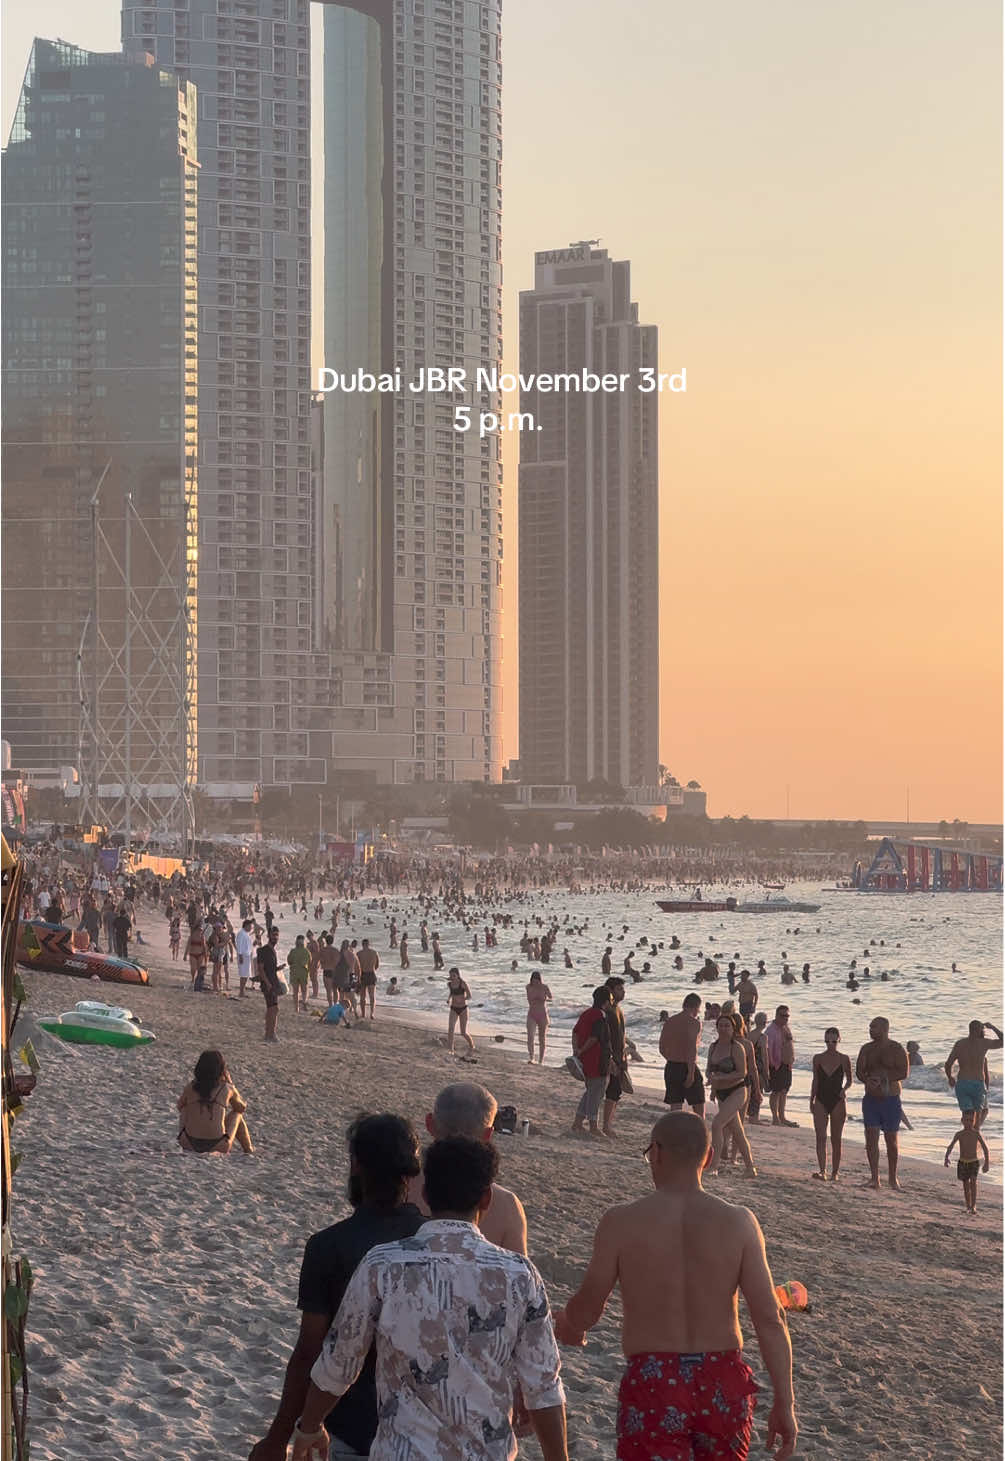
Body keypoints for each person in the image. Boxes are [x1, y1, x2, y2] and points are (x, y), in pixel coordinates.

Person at [289, 1138, 569, 1461]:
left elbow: (339, 1361)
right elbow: (544, 1387)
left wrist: (310, 1425)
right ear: (486, 1198)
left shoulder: (383, 1265)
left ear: (424, 1194)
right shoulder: (520, 1276)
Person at [552, 1112, 797, 1461]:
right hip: (722, 1379)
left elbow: (590, 1306)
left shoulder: (621, 1221)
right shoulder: (740, 1222)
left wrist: (567, 1322)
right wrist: (785, 1404)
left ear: (657, 1153)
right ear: (708, 1158)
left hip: (654, 1380)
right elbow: (771, 1319)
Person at [249, 1114, 424, 1461]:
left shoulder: (328, 1246)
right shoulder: (430, 1240)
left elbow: (308, 1351)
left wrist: (277, 1437)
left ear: (355, 1165)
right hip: (421, 1431)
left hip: (347, 1427)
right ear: (411, 1170)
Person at [414, 1082, 528, 1253]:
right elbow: (519, 1271)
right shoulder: (507, 1205)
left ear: (429, 1124)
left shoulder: (401, 1188)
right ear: (488, 1135)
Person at [855, 1016, 909, 1190]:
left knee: (891, 1140)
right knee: (871, 1139)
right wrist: (867, 1079)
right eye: (870, 1027)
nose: (870, 1030)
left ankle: (893, 1178)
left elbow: (904, 1072)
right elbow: (859, 1071)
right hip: (871, 1099)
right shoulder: (866, 1049)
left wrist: (884, 1078)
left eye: (874, 1027)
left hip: (891, 1099)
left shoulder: (896, 1048)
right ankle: (874, 1178)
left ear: (885, 1029)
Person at [706, 1014, 757, 1179]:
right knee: (737, 1132)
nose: (723, 1028)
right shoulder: (713, 1047)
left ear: (733, 1028)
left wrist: (721, 1077)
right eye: (721, 1025)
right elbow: (708, 1069)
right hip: (721, 1094)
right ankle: (750, 1168)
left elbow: (742, 1073)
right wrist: (712, 1080)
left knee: (717, 1124)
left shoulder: (737, 1047)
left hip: (737, 1091)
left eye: (727, 1025)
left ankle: (713, 1166)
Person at [176, 1050, 253, 1154]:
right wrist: (231, 1084)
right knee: (237, 1115)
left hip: (188, 1143)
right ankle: (248, 1149)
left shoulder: (190, 1087)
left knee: (185, 1108)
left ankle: (192, 1133)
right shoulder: (227, 1088)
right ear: (221, 1069)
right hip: (218, 1145)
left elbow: (180, 1107)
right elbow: (240, 1108)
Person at [809, 1028, 852, 1181]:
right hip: (821, 1098)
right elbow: (816, 1080)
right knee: (820, 1137)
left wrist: (844, 1090)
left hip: (837, 1100)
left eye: (833, 1041)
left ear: (839, 1040)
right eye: (827, 1041)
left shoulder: (844, 1059)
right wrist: (811, 1099)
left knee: (836, 1138)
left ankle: (835, 1172)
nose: (830, 1044)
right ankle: (822, 1171)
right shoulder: (818, 1058)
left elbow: (850, 1080)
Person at [944, 1021, 1003, 1129]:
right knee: (977, 1119)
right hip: (977, 1083)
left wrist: (950, 1077)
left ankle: (966, 1140)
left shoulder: (960, 1044)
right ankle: (974, 1140)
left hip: (962, 1083)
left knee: (967, 1117)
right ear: (980, 1030)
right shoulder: (983, 1043)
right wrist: (993, 1027)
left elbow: (948, 1064)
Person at [570, 987, 612, 1138]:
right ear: (606, 1002)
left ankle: (578, 1122)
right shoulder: (600, 1016)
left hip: (585, 1060)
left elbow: (575, 1032)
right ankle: (593, 1125)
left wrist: (576, 1050)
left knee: (590, 1091)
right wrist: (581, 1050)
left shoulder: (586, 1014)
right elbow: (595, 1038)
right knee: (597, 1092)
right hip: (597, 1059)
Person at [659, 993, 705, 1115]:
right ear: (695, 1007)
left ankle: (675, 1131)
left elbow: (662, 1048)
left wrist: (672, 1058)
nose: (698, 1012)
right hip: (687, 1065)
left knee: (675, 1105)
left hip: (672, 1065)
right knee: (698, 1103)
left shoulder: (670, 1021)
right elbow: (692, 1049)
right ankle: (701, 1129)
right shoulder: (694, 1023)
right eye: (698, 1009)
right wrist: (690, 1073)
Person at [944, 1109, 990, 1215]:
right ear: (962, 1121)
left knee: (973, 1182)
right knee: (965, 1185)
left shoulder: (976, 1134)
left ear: (974, 1121)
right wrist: (946, 1157)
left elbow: (985, 1148)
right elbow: (950, 1146)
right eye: (966, 1120)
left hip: (974, 1162)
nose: (969, 1122)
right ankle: (968, 1206)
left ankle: (973, 1206)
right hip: (963, 1162)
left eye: (971, 1120)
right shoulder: (959, 1134)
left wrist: (986, 1163)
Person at [602, 976, 628, 1138]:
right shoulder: (608, 1011)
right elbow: (605, 1037)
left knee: (616, 1092)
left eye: (623, 989)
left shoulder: (618, 1010)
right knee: (609, 1091)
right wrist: (610, 1058)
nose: (623, 992)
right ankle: (605, 1125)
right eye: (619, 989)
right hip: (610, 1057)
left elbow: (621, 1035)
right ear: (610, 991)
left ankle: (608, 1124)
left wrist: (624, 1057)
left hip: (620, 1056)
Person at [766, 1006, 797, 1127]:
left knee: (784, 1091)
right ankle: (775, 1118)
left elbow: (789, 1044)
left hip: (787, 1065)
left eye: (787, 1016)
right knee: (776, 1091)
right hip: (777, 1065)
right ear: (777, 1015)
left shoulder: (785, 1028)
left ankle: (782, 1117)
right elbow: (767, 1049)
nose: (786, 1018)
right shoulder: (771, 1030)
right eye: (783, 1016)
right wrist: (771, 1064)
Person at [257, 926, 283, 1042]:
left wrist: (278, 968)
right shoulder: (263, 950)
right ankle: (270, 1034)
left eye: (277, 935)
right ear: (268, 936)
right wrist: (267, 984)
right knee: (274, 1009)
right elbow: (261, 969)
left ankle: (269, 1033)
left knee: (271, 1009)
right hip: (269, 984)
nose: (275, 937)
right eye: (273, 935)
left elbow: (269, 968)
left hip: (273, 983)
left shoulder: (273, 950)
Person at [446, 967, 475, 1053]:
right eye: (451, 975)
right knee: (451, 1029)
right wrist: (449, 999)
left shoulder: (463, 984)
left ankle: (472, 1045)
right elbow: (451, 993)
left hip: (463, 1009)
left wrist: (463, 999)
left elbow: (470, 996)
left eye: (454, 975)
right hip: (454, 1008)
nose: (452, 977)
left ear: (458, 975)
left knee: (463, 1032)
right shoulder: (449, 984)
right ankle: (451, 1049)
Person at [526, 971, 552, 1064]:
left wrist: (545, 997)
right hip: (532, 1013)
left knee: (542, 1038)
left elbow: (550, 997)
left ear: (540, 980)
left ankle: (541, 1060)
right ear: (531, 980)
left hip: (543, 1014)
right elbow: (529, 999)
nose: (535, 983)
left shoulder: (544, 987)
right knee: (530, 1036)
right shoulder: (528, 987)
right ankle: (532, 1057)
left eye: (537, 981)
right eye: (533, 981)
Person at [287, 934, 312, 1013]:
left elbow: (289, 961)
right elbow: (310, 962)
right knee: (304, 990)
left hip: (294, 972)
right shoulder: (306, 951)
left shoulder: (293, 951)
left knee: (295, 991)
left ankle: (296, 1008)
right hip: (303, 972)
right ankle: (304, 1002)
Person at [357, 938, 380, 1020]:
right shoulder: (374, 953)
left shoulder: (359, 954)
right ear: (369, 944)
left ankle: (363, 1014)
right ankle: (372, 1013)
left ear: (362, 944)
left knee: (362, 996)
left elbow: (357, 967)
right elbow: (377, 965)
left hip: (363, 974)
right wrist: (372, 969)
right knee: (372, 996)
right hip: (371, 974)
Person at [236, 918, 254, 996]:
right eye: (250, 926)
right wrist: (240, 956)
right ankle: (241, 991)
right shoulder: (241, 933)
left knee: (246, 974)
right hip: (243, 955)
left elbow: (247, 946)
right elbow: (239, 945)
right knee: (243, 974)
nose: (251, 928)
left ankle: (242, 991)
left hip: (247, 955)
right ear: (246, 926)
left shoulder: (246, 934)